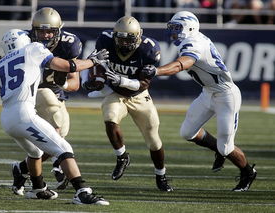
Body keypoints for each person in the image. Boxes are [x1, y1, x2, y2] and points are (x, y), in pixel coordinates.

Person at [0, 28, 109, 204]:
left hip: (7, 117)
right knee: (63, 148)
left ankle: (38, 188)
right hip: (23, 113)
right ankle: (82, 192)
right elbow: (67, 66)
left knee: (35, 152)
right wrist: (91, 62)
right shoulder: (33, 48)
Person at [0, 7, 82, 193]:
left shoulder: (69, 44)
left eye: (50, 30)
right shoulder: (24, 42)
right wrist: (93, 62)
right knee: (56, 137)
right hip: (33, 95)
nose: (45, 35)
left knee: (50, 144)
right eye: (41, 31)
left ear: (59, 30)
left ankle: (23, 170)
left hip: (55, 94)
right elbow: (2, 83)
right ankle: (76, 185)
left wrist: (64, 85)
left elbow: (74, 83)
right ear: (33, 30)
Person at [155, 11, 257, 191]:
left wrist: (156, 71)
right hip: (208, 92)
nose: (173, 32)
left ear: (189, 28)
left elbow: (183, 64)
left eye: (177, 28)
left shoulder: (195, 42)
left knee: (226, 148)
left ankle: (248, 172)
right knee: (188, 132)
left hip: (226, 95)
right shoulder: (191, 39)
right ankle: (218, 149)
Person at [83, 16, 173, 192]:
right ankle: (122, 156)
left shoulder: (149, 49)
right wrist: (97, 80)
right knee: (110, 119)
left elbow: (143, 84)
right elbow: (96, 63)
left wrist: (122, 80)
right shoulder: (105, 40)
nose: (124, 43)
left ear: (138, 36)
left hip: (140, 95)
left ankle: (161, 174)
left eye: (128, 39)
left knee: (153, 140)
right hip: (115, 93)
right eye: (121, 38)